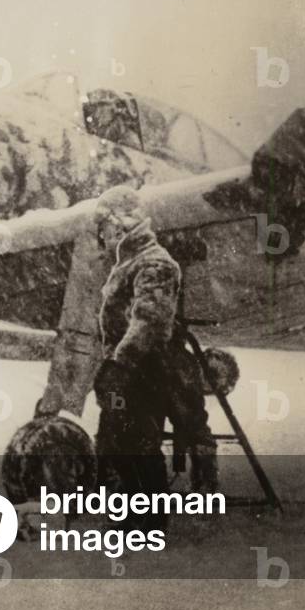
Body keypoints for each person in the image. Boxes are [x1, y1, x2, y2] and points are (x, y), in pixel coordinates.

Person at [91, 186, 219, 528]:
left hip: (145, 368)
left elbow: (150, 320)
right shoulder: (132, 261)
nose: (101, 234)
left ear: (120, 223)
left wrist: (120, 364)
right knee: (118, 435)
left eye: (104, 225)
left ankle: (148, 519)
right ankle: (137, 511)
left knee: (137, 438)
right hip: (129, 368)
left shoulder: (154, 262)